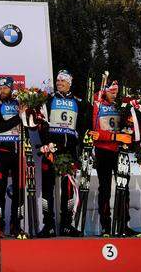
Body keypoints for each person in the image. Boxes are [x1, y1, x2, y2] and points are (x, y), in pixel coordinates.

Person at [37, 70, 85, 237]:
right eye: (57, 81)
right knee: (47, 187)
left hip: (69, 150)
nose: (59, 83)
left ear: (70, 83)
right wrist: (45, 144)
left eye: (63, 81)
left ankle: (66, 224)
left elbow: (83, 124)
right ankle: (48, 225)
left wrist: (79, 141)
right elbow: (41, 123)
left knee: (68, 188)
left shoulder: (78, 101)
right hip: (51, 149)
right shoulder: (49, 100)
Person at [89, 79, 138, 237]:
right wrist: (116, 136)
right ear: (104, 90)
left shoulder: (121, 105)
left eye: (116, 92)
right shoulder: (97, 104)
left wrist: (129, 130)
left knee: (124, 187)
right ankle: (106, 226)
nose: (114, 95)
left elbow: (130, 128)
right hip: (103, 151)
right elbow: (95, 132)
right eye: (111, 91)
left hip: (120, 152)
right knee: (105, 189)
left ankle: (124, 224)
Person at [0, 76, 21, 236]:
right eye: (0, 88)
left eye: (5, 88)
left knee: (18, 190)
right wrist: (19, 117)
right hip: (1, 152)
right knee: (0, 190)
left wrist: (28, 113)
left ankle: (16, 225)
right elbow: (1, 127)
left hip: (18, 152)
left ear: (11, 89)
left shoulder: (20, 105)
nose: (2, 91)